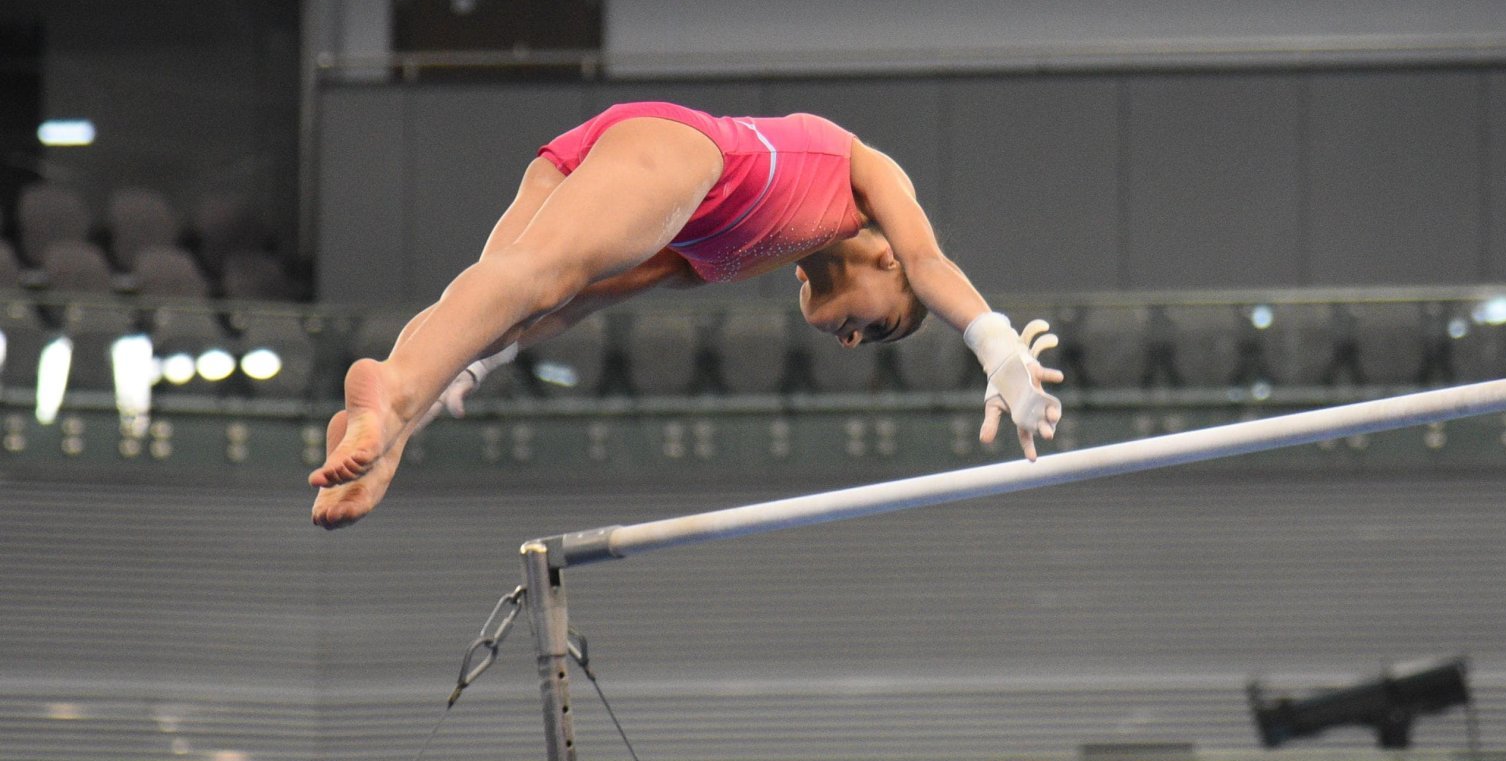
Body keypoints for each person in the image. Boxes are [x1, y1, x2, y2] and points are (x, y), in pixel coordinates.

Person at [310, 101, 1064, 529]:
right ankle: (394, 390)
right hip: (682, 150)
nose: (852, 339)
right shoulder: (866, 179)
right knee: (535, 276)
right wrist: (995, 346)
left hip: (597, 156)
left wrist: (477, 362)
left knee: (507, 295)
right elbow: (934, 267)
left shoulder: (737, 255)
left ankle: (391, 434)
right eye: (880, 324)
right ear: (887, 260)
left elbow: (575, 304)